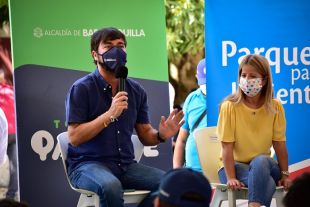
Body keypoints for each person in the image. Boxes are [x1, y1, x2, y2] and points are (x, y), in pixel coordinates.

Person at [65, 27, 184, 207]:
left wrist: (161, 135)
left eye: (120, 45)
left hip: (126, 166)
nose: (116, 51)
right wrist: (110, 114)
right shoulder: (82, 88)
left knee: (173, 184)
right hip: (87, 165)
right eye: (108, 46)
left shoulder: (136, 90)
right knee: (110, 186)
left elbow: (145, 134)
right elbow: (74, 137)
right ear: (95, 55)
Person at [217, 54, 291, 207]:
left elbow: (280, 145)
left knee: (261, 161)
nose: (247, 79)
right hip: (233, 168)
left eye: (252, 76)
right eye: (243, 75)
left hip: (266, 166)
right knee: (267, 182)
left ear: (264, 80)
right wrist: (231, 177)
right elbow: (226, 147)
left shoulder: (275, 107)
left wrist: (285, 175)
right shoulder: (229, 106)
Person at [173, 58, 207, 172]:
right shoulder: (192, 98)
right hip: (192, 169)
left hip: (219, 170)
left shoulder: (227, 98)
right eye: (204, 82)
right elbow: (181, 139)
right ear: (197, 77)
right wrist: (176, 172)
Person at [0, 39, 18, 200]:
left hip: (12, 133)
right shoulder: (7, 89)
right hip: (6, 133)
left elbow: (12, 73)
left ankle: (11, 196)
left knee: (14, 166)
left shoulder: (9, 88)